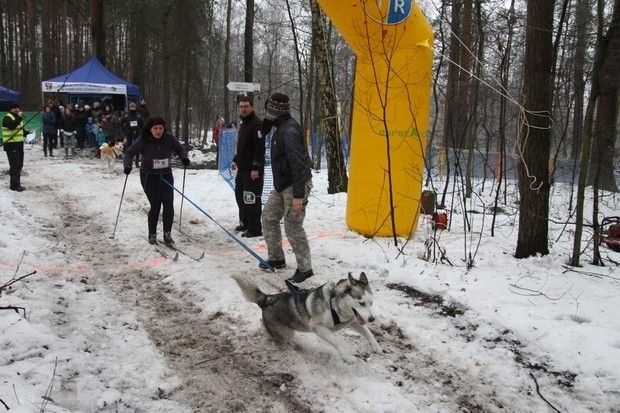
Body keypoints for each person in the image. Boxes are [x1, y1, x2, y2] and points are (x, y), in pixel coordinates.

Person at [259, 93, 314, 283]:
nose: (266, 111)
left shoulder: (288, 131)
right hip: (283, 185)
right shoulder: (280, 126)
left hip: (296, 187)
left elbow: (298, 164)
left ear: (275, 110)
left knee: (293, 226)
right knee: (269, 217)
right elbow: (264, 129)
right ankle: (276, 259)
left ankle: (305, 269)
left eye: (269, 108)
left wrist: (298, 196)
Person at [123, 116, 189, 247]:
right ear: (150, 129)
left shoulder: (169, 138)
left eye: (160, 128)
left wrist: (184, 157)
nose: (158, 131)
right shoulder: (144, 139)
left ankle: (167, 235)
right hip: (149, 176)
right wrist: (127, 165)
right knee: (156, 205)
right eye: (155, 128)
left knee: (168, 205)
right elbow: (129, 153)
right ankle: (152, 234)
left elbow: (180, 149)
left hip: (166, 175)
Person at [230, 97, 265, 237]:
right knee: (240, 196)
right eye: (241, 107)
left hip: (253, 171)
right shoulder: (243, 124)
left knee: (251, 199)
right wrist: (235, 159)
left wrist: (255, 167)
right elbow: (242, 146)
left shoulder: (257, 124)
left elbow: (259, 147)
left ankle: (255, 228)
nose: (243, 109)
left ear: (252, 107)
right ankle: (244, 222)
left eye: (246, 106)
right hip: (242, 169)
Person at [2, 101, 29, 192]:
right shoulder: (7, 118)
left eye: (18, 108)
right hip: (11, 144)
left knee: (19, 164)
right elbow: (11, 126)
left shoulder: (18, 118)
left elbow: (20, 130)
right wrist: (20, 117)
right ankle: (14, 185)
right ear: (11, 109)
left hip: (19, 144)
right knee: (15, 165)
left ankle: (17, 183)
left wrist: (27, 133)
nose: (17, 110)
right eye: (15, 108)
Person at [121, 102, 144, 167]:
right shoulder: (127, 115)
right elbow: (121, 123)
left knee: (137, 147)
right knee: (129, 148)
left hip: (137, 133)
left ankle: (137, 163)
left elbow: (142, 124)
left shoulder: (138, 115)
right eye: (131, 107)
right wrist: (125, 130)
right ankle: (129, 163)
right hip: (129, 133)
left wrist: (141, 131)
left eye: (133, 107)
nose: (132, 108)